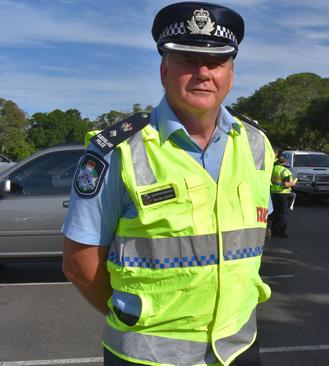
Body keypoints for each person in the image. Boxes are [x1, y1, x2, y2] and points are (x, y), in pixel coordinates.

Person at [61, 3, 274, 365]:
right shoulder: (118, 152)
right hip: (147, 357)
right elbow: (80, 265)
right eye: (188, 60)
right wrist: (134, 318)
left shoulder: (257, 144)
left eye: (217, 62)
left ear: (231, 73)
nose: (203, 73)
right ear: (164, 70)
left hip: (239, 348)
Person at [269, 155, 296, 238]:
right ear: (285, 162)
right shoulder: (285, 171)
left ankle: (273, 232)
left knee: (276, 213)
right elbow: (286, 184)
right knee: (284, 214)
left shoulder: (272, 169)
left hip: (274, 193)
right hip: (283, 194)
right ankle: (281, 233)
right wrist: (293, 183)